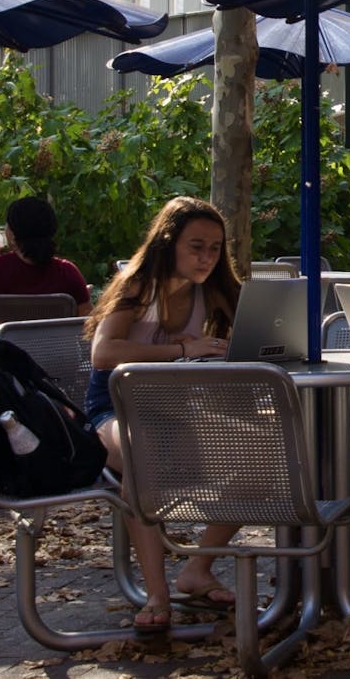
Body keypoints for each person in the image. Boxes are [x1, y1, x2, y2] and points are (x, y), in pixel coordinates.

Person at [82, 196, 242, 634]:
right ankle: (157, 593)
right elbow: (103, 353)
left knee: (261, 462)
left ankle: (197, 569)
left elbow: (253, 336)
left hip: (177, 412)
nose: (207, 257)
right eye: (196, 246)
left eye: (215, 247)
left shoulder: (213, 289)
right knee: (144, 455)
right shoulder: (138, 285)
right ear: (169, 243)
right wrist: (182, 351)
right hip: (113, 409)